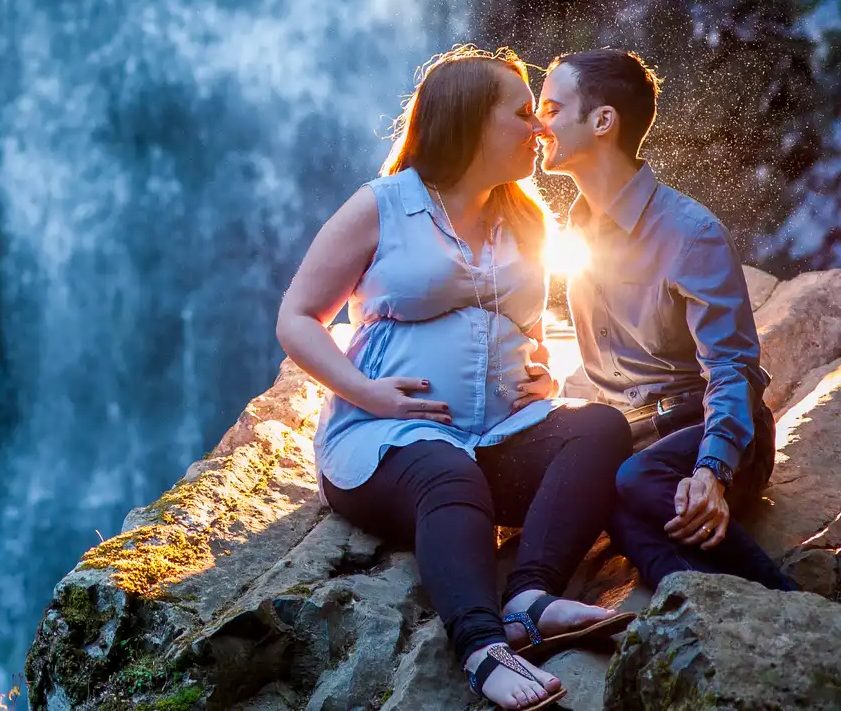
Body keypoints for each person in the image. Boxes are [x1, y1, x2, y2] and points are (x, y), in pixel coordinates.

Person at [276, 46, 634, 711]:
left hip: (498, 431)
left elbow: (526, 323)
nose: (541, 128)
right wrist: (367, 393)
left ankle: (530, 598)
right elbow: (296, 317)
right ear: (470, 121)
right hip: (384, 441)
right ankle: (481, 646)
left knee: (601, 428)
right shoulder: (383, 205)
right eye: (524, 113)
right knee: (449, 474)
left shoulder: (527, 217)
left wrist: (542, 367)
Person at [536, 48, 797, 592]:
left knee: (635, 480)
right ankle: (691, 603)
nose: (538, 126)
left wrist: (711, 471)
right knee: (618, 499)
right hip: (632, 437)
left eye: (552, 109)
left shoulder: (688, 232)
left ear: (603, 121)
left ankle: (783, 598)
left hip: (714, 433)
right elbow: (600, 367)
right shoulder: (571, 230)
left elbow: (733, 369)